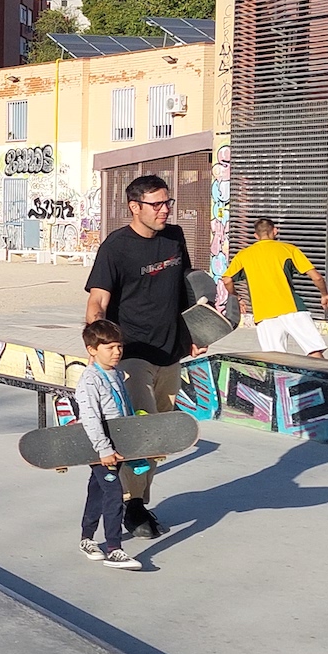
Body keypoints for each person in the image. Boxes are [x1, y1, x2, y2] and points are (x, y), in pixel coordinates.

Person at [84, 173, 201, 539]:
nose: (164, 210)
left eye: (168, 202)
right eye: (157, 204)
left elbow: (185, 287)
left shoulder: (174, 236)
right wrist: (98, 348)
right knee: (140, 432)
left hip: (171, 352)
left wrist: (199, 330)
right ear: (135, 207)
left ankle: (132, 500)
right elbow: (97, 302)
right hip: (131, 355)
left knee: (159, 436)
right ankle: (130, 506)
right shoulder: (116, 247)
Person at [74, 319, 144, 570]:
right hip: (102, 448)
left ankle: (87, 538)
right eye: (110, 348)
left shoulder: (115, 373)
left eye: (119, 347)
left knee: (98, 491)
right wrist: (104, 450)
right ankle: (114, 548)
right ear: (92, 350)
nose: (117, 352)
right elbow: (91, 418)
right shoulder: (91, 380)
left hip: (117, 446)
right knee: (114, 493)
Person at [220, 217, 328, 357]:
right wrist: (324, 294)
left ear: (256, 235)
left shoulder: (243, 255)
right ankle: (321, 379)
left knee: (275, 359)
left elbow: (227, 280)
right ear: (275, 231)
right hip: (292, 308)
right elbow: (317, 277)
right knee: (314, 351)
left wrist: (237, 296)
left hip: (264, 313)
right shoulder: (289, 249)